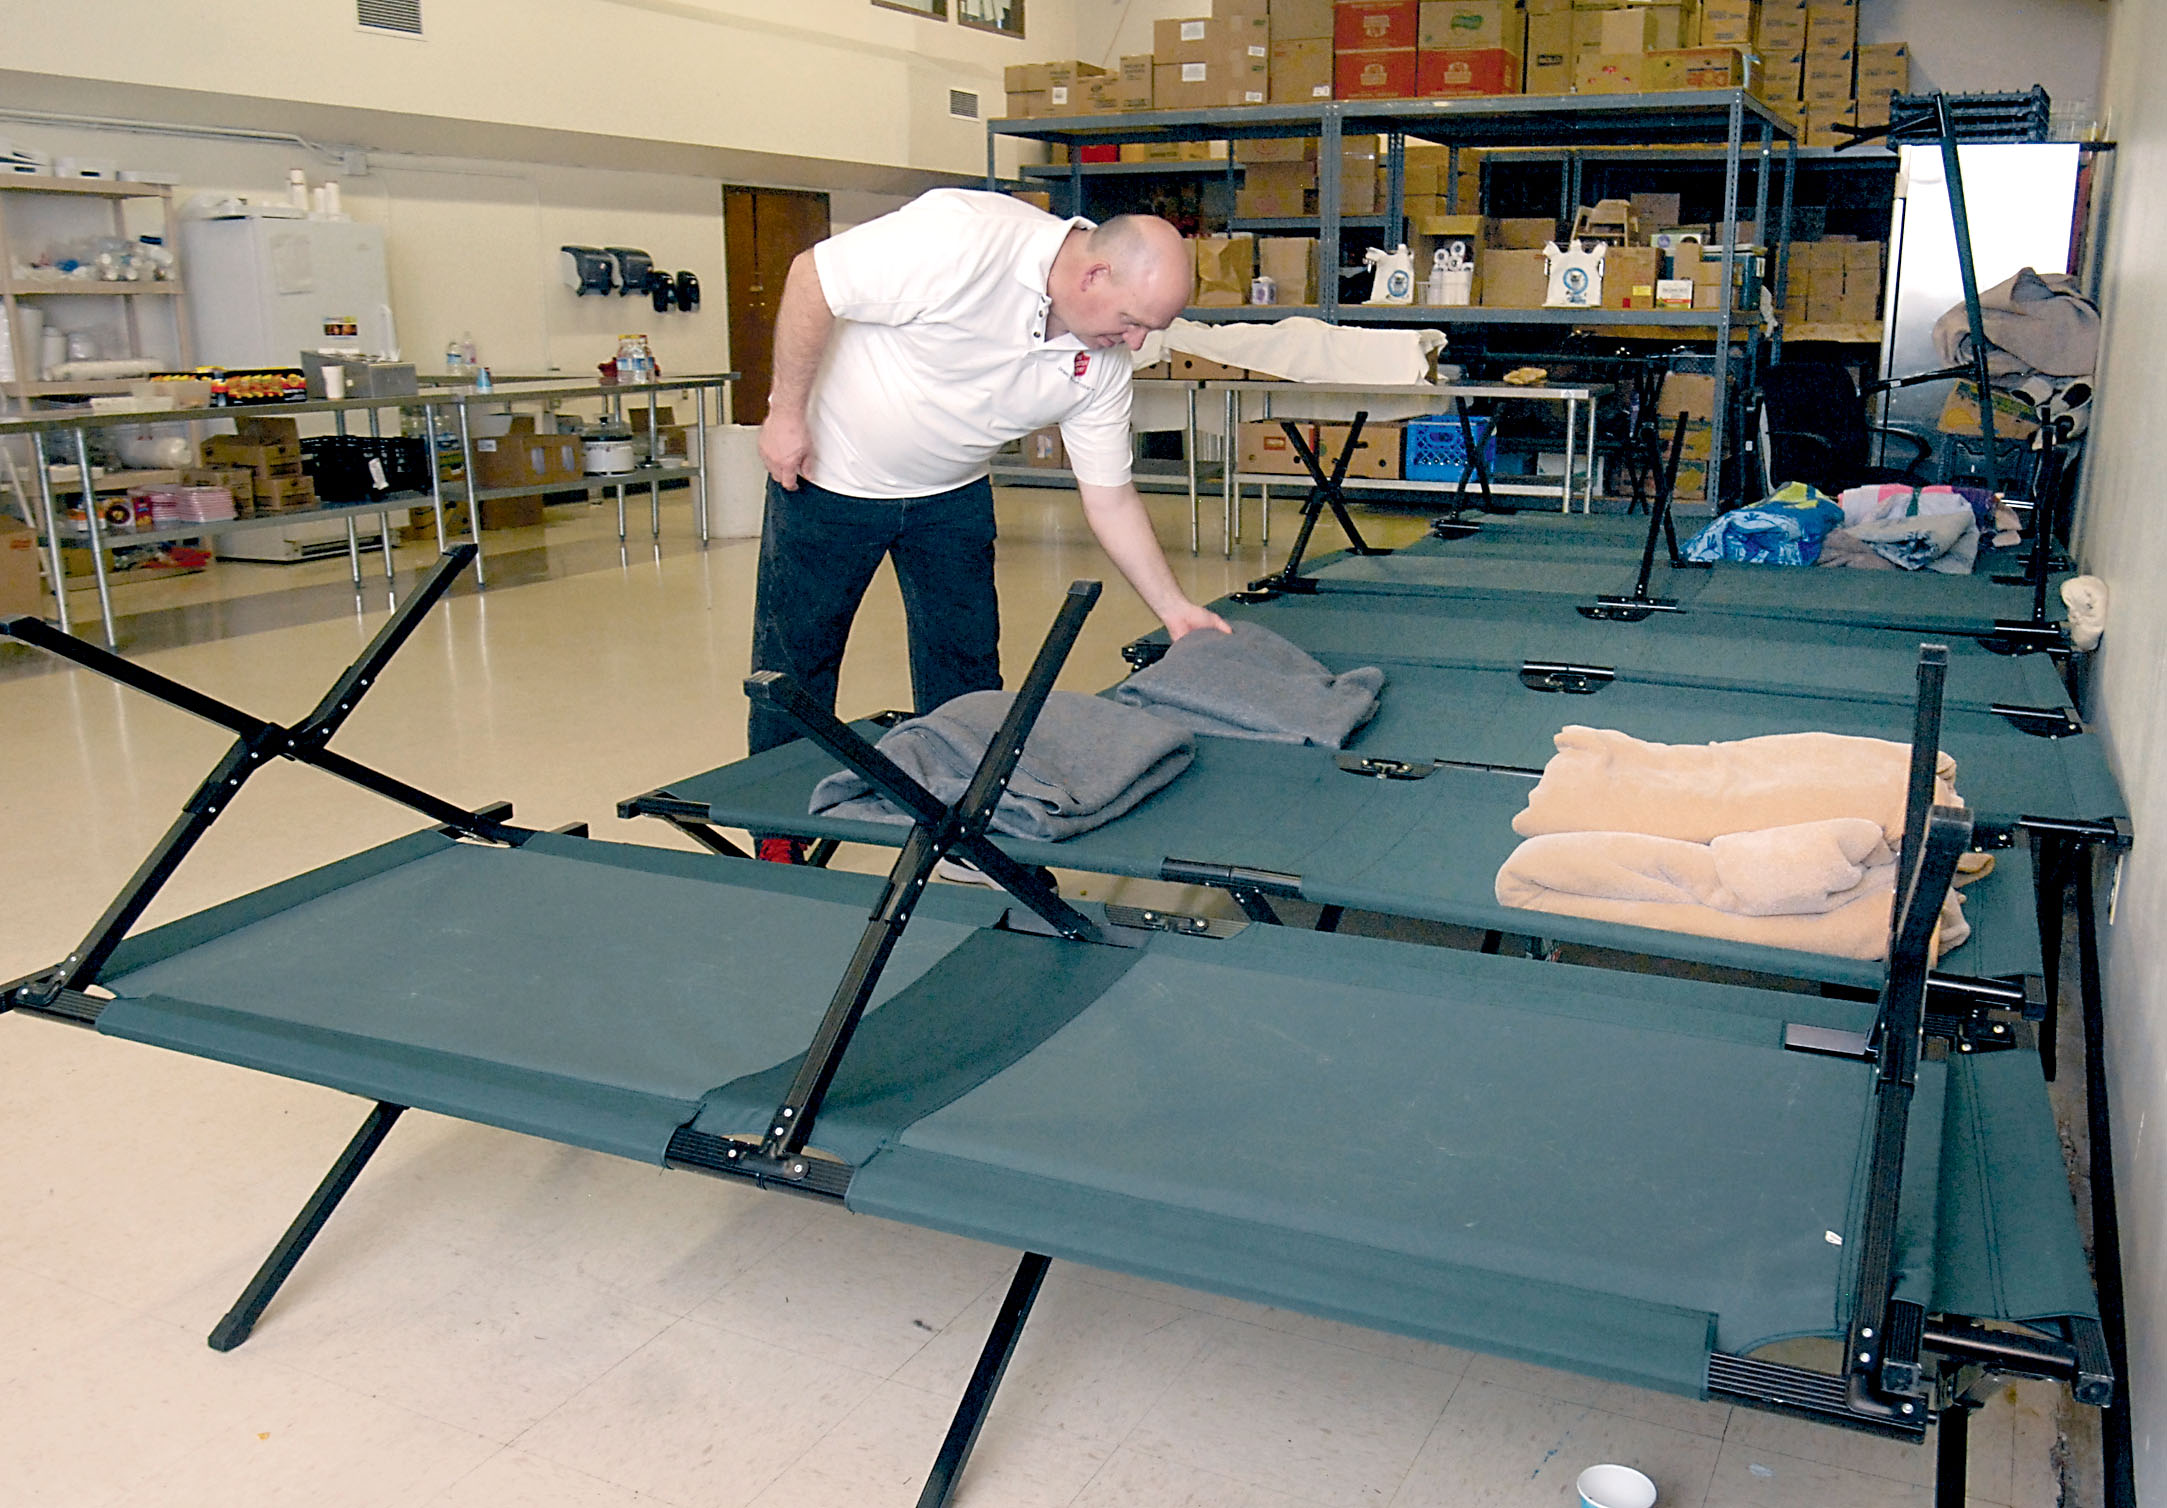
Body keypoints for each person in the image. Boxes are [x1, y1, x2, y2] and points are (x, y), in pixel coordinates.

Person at [749, 190, 1228, 866]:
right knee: (796, 667)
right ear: (1094, 275)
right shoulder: (963, 239)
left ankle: (966, 831)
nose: (1136, 343)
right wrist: (785, 413)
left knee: (967, 673)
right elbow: (812, 278)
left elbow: (1110, 498)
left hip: (952, 496)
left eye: (1149, 329)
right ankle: (775, 832)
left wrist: (1173, 608)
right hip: (831, 480)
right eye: (1130, 322)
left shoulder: (1102, 361)